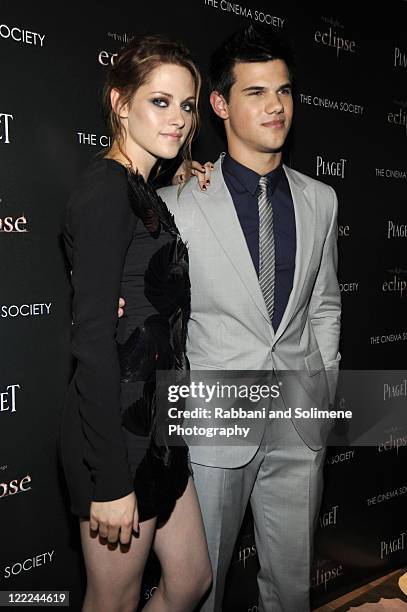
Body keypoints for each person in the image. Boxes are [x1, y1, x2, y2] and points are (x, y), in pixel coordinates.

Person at [158, 24, 341, 612]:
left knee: (291, 589)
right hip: (215, 423)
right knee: (201, 586)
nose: (275, 106)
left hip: (299, 416)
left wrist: (325, 388)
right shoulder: (178, 203)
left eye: (283, 91)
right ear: (219, 104)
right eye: (256, 92)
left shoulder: (322, 199)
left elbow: (326, 304)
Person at [60, 34, 211, 612]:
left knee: (192, 578)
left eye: (187, 105)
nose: (177, 119)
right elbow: (94, 345)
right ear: (121, 103)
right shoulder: (105, 193)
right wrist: (111, 480)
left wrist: (181, 173)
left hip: (158, 424)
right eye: (160, 102)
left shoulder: (138, 190)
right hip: (118, 437)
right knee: (112, 603)